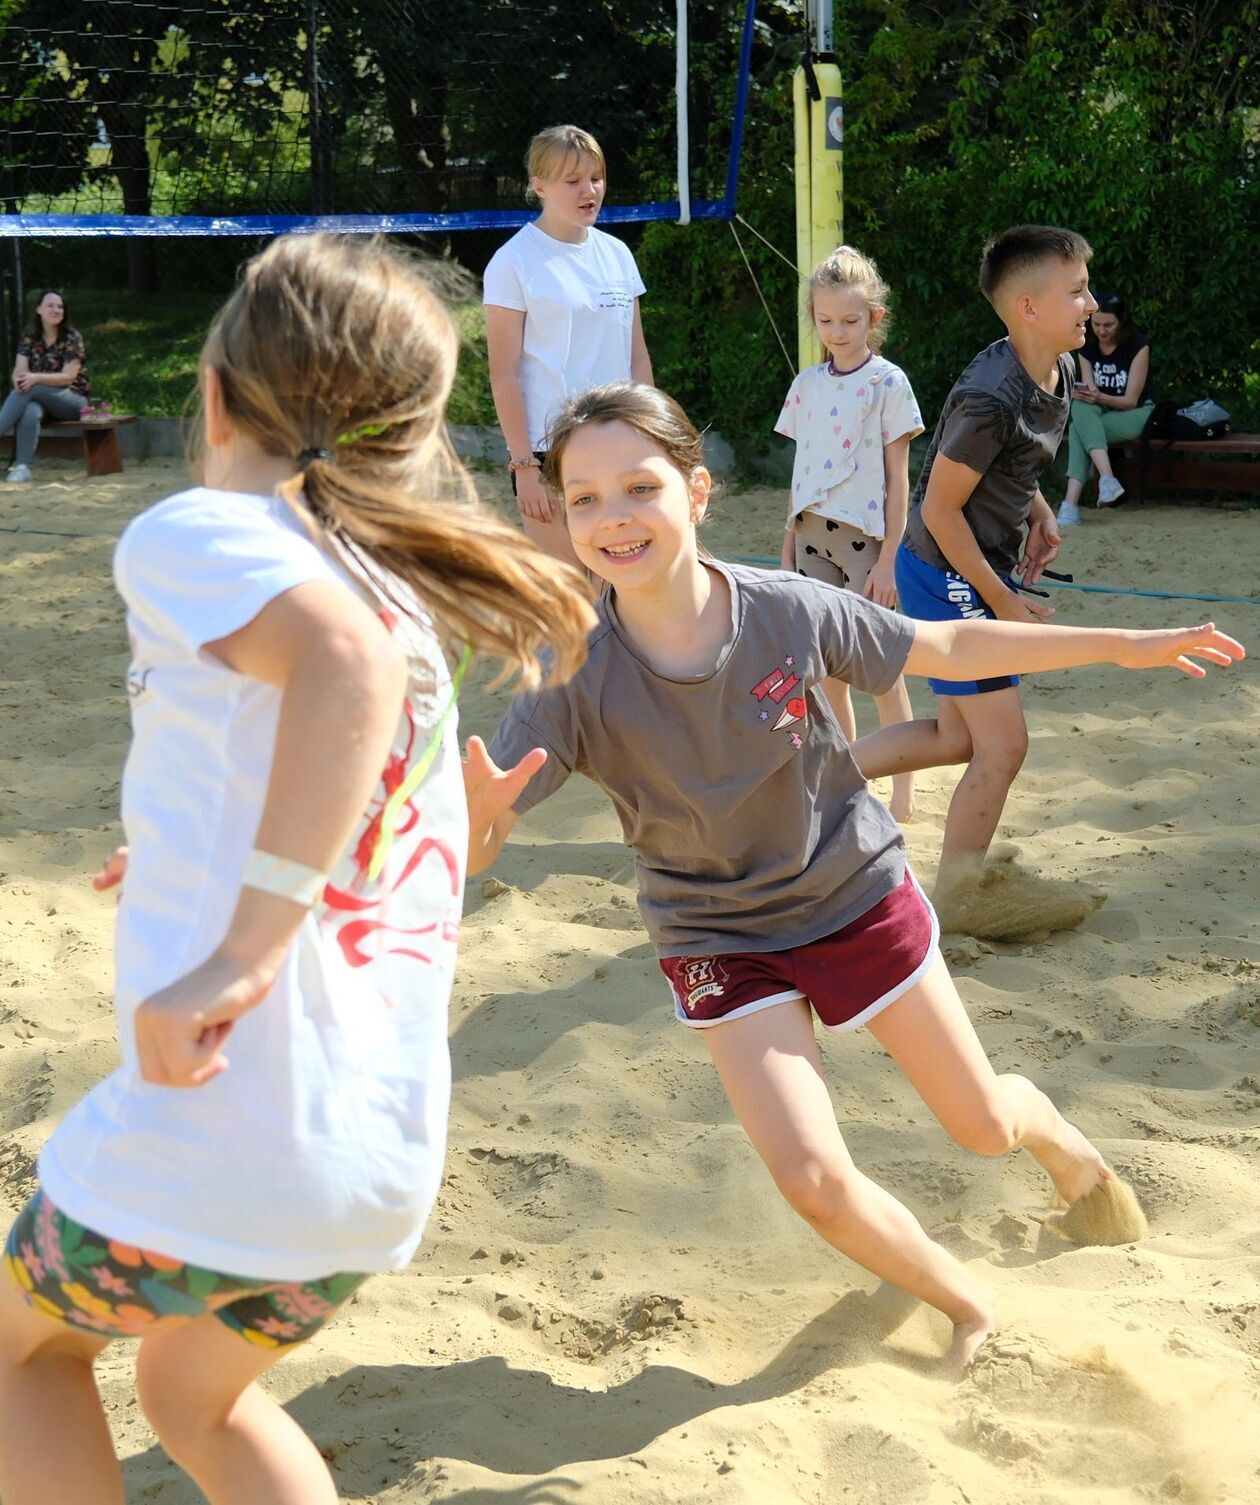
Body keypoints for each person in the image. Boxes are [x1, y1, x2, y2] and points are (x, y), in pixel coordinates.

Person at [465, 380, 1242, 1375]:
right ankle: (966, 1303)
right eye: (583, 498)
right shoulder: (570, 671)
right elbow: (478, 843)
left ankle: (1048, 1128)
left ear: (696, 492)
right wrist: (479, 826)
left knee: (981, 1124)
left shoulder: (785, 610)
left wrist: (1121, 643)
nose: (613, 518)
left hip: (853, 894)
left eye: (638, 487)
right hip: (717, 935)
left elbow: (948, 642)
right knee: (812, 1178)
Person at [0, 234, 594, 1505]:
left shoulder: (203, 530)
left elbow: (340, 676)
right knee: (185, 1395)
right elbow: (344, 785)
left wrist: (239, 948)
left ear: (211, 397)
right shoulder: (393, 596)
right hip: (367, 1164)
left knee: (20, 1355)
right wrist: (182, 850)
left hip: (235, 1121)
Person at [895, 225, 1098, 936]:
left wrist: (1038, 511)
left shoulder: (1057, 368)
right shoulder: (991, 395)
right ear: (1027, 307)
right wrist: (1002, 598)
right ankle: (956, 902)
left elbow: (1013, 466)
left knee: (957, 737)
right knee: (1004, 746)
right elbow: (939, 509)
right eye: (1076, 291)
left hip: (969, 567)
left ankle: (810, 771)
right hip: (942, 572)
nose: (1090, 303)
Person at [776, 245, 924, 822]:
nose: (836, 331)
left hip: (867, 542)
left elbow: (898, 479)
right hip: (811, 535)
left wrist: (889, 561)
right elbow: (800, 473)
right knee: (830, 670)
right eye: (825, 319)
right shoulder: (807, 384)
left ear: (874, 319)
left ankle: (906, 791)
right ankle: (850, 778)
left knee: (883, 670)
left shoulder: (889, 383)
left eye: (850, 320)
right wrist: (787, 548)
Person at [484, 124, 653, 568]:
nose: (589, 190)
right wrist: (524, 468)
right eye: (573, 181)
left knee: (623, 592)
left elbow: (637, 358)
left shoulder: (617, 253)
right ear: (539, 186)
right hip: (550, 454)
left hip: (619, 441)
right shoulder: (513, 261)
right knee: (572, 598)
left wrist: (651, 437)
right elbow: (503, 374)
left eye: (595, 177)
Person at [1058, 290, 1156, 526]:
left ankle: (1071, 505)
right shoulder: (1087, 346)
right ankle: (1107, 481)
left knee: (1080, 428)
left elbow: (1131, 400)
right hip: (1101, 414)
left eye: (1109, 325)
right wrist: (1089, 394)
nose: (1101, 331)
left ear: (1121, 322)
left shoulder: (1138, 346)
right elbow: (1089, 392)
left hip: (1137, 413)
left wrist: (1098, 396)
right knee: (1081, 406)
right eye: (1097, 324)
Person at [1, 289, 91, 483]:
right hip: (38, 398)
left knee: (32, 387)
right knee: (30, 410)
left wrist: (33, 379)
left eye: (60, 306)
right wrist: (19, 380)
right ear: (39, 309)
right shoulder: (29, 336)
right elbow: (20, 369)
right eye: (50, 305)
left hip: (73, 401)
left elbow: (68, 378)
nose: (56, 309)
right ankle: (24, 467)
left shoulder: (72, 337)